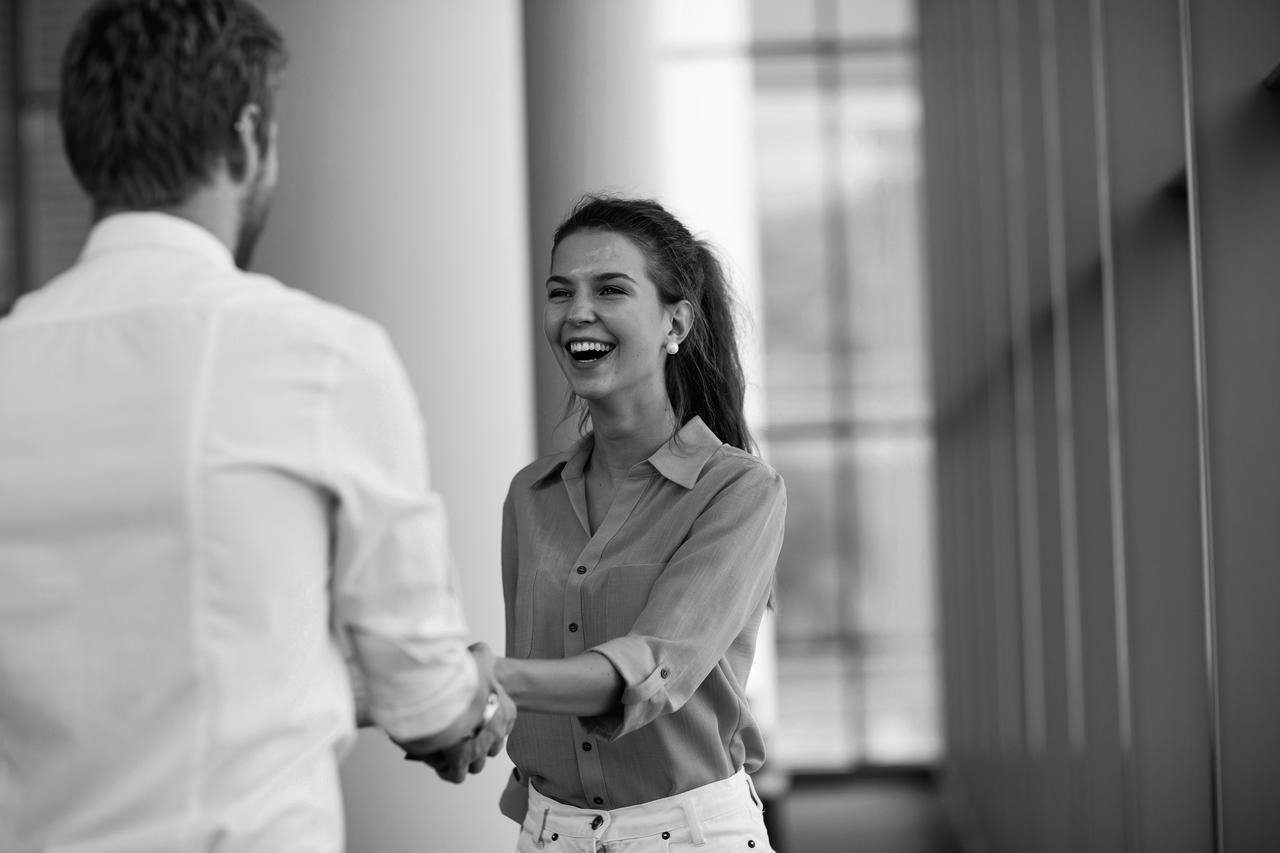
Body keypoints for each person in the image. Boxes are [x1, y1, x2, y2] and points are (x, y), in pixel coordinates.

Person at [0, 1, 511, 851]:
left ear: (84, 151)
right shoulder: (322, 357)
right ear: (246, 139)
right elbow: (425, 698)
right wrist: (478, 697)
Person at [490, 195, 787, 852]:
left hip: (689, 836)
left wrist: (490, 676)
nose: (577, 312)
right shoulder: (528, 497)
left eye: (610, 289)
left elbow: (654, 665)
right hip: (549, 831)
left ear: (675, 320)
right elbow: (539, 691)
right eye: (559, 291)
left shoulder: (739, 491)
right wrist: (478, 706)